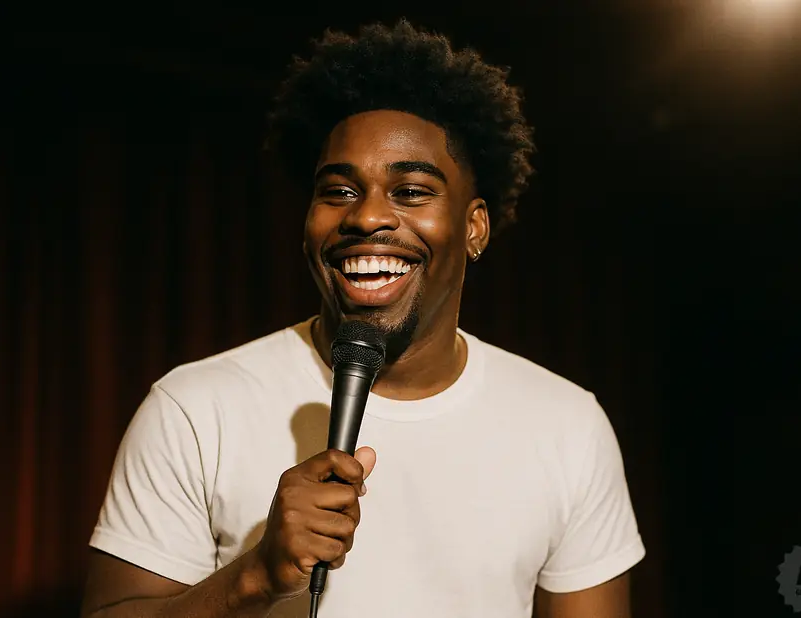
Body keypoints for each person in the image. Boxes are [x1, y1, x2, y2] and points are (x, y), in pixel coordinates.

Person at [81, 20, 645, 618]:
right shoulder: (195, 407)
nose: (367, 217)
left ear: (474, 227)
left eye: (411, 191)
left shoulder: (566, 425)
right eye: (340, 191)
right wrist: (254, 576)